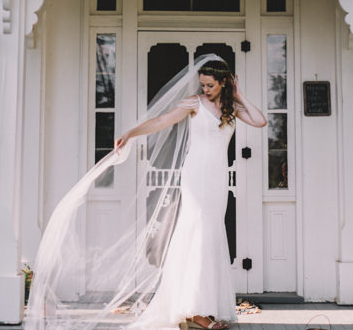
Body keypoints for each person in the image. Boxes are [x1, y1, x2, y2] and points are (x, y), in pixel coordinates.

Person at [114, 58, 266, 330]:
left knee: (210, 237)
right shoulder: (194, 104)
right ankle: (195, 312)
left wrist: (240, 95)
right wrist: (131, 133)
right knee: (197, 235)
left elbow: (261, 121)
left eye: (210, 85)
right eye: (203, 84)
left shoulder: (231, 108)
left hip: (216, 178)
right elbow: (161, 121)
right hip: (196, 177)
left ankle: (202, 306)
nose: (205, 89)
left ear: (223, 83)